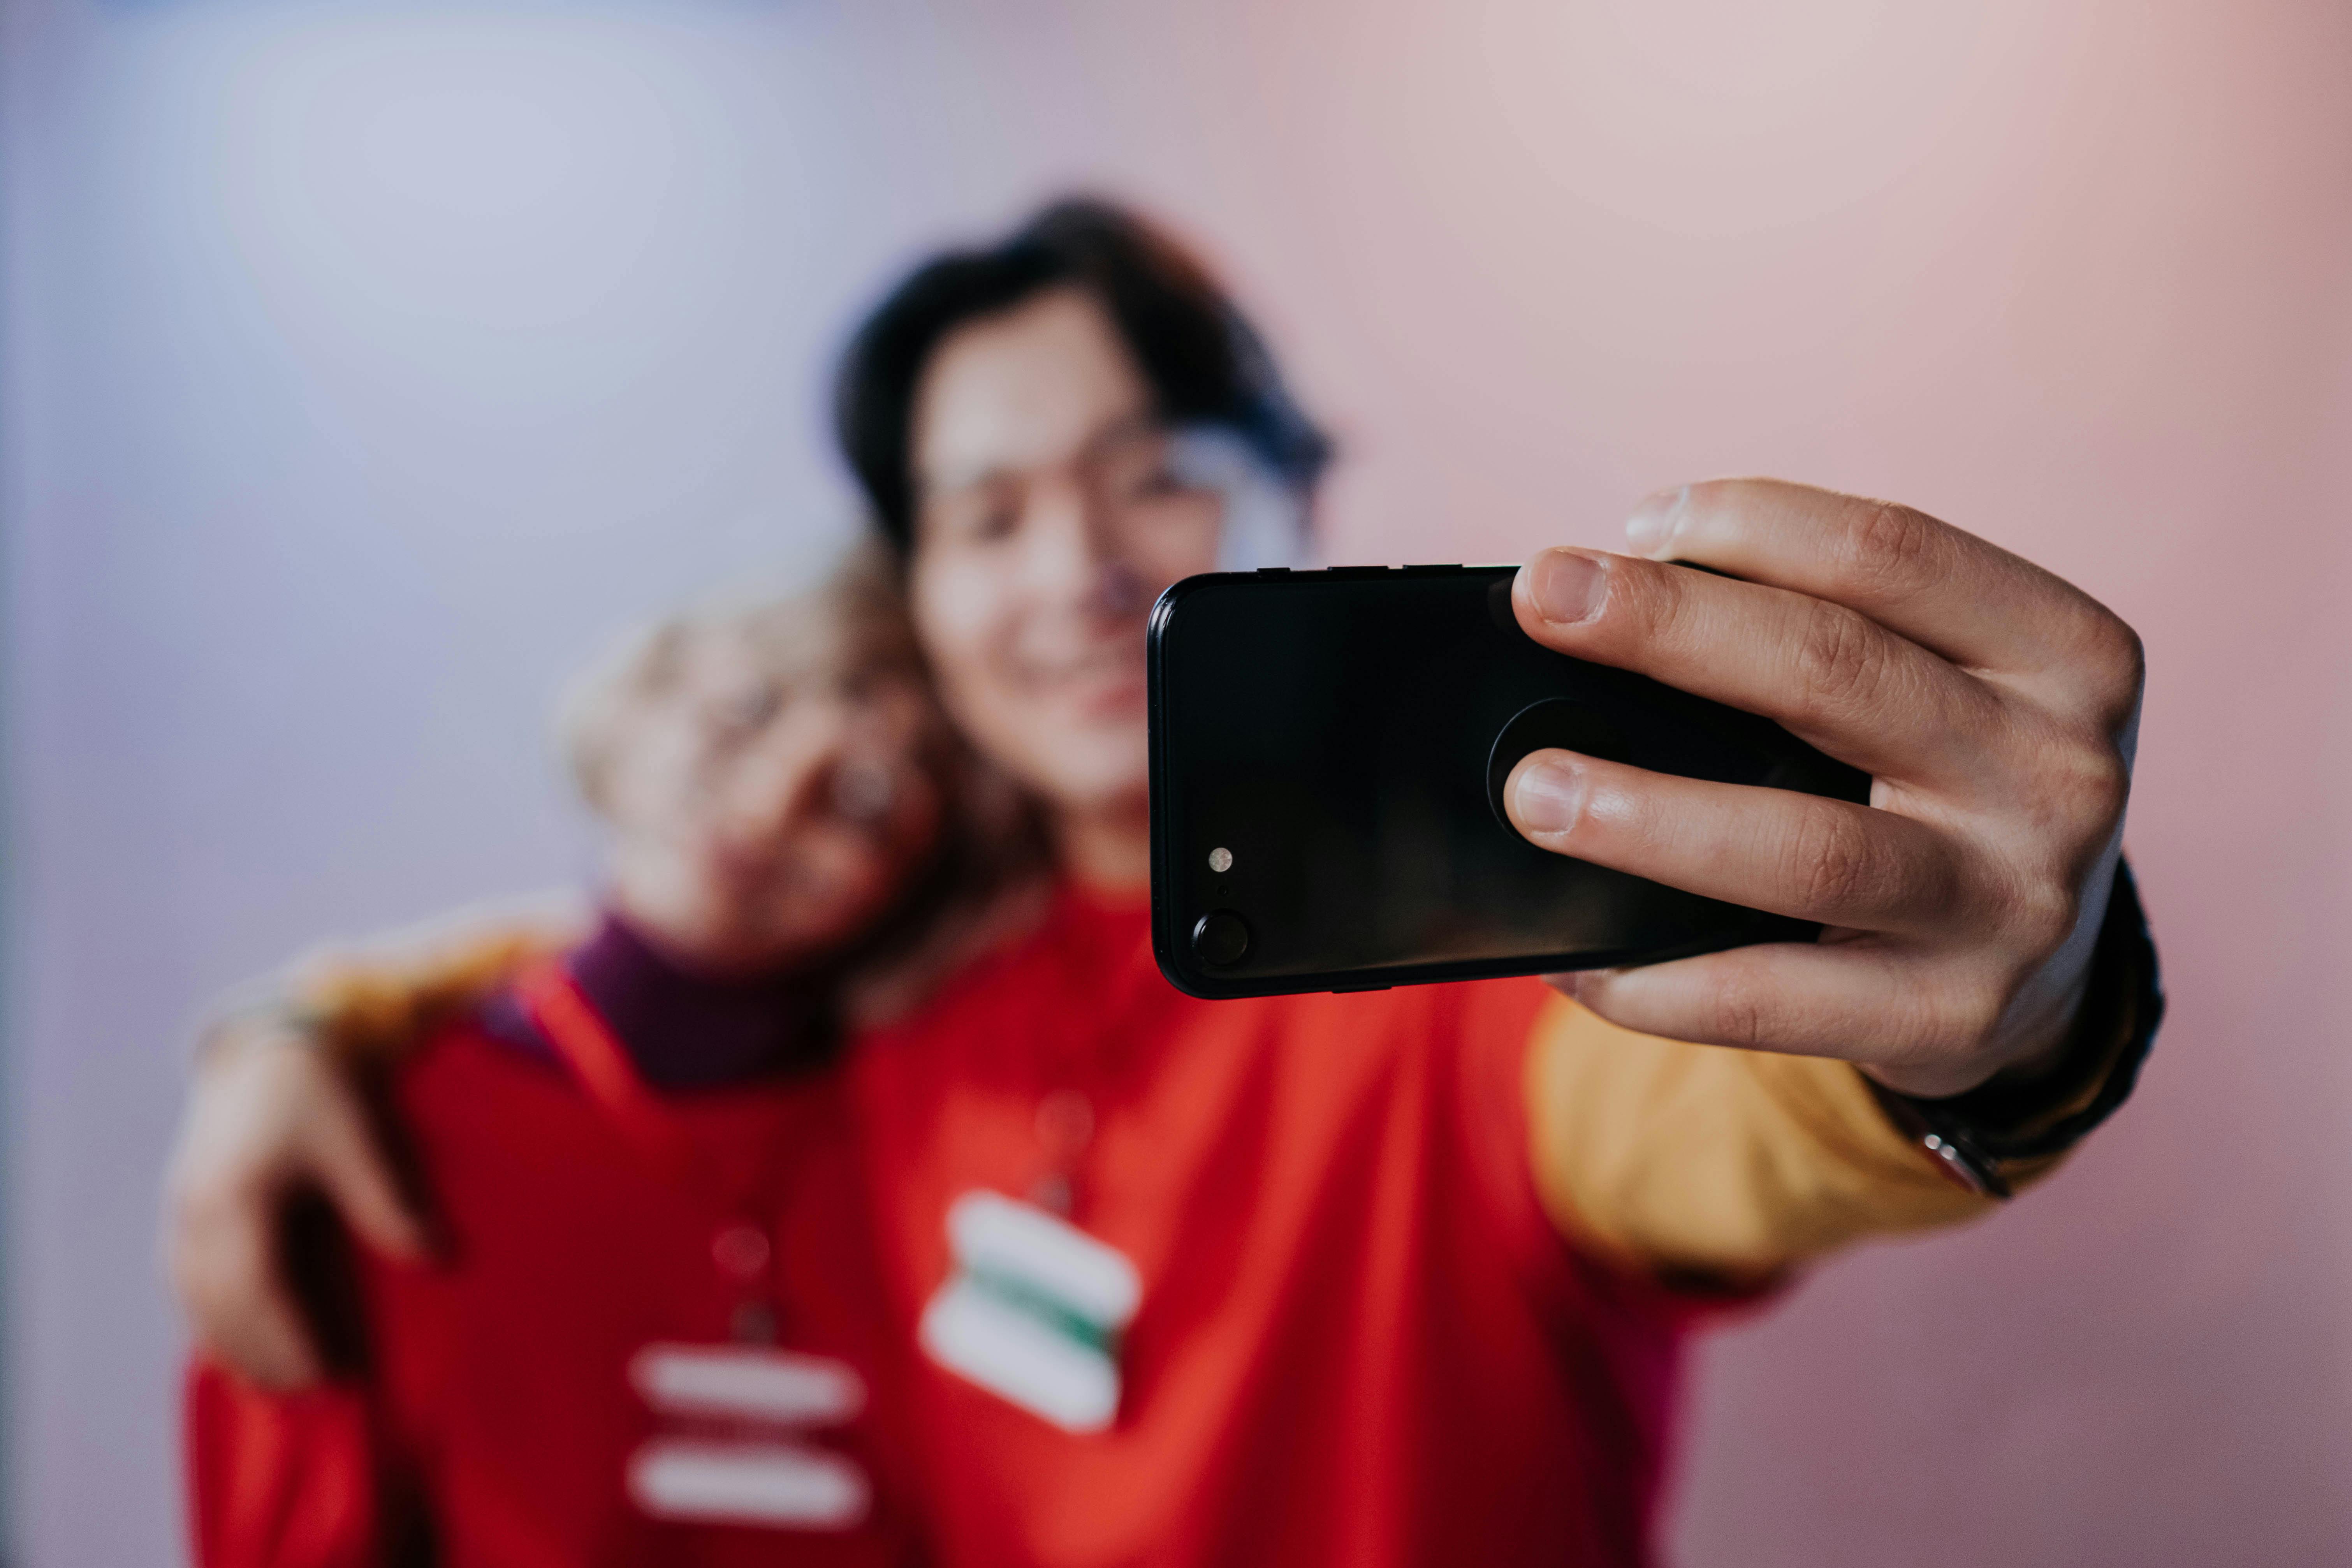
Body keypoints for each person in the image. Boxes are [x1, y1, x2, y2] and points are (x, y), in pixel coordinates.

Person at [165, 199, 2159, 1566]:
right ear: (919, 607)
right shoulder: (887, 979)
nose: (1073, 571)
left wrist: (2010, 1022)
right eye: (987, 516)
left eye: (1157, 474)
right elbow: (617, 967)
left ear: (1299, 501)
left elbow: (1721, 1116)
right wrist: (300, 1022)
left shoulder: (1493, 959)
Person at [184, 550, 1037, 1566]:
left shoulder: (940, 1137)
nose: (769, 808)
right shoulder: (361, 1140)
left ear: (919, 877)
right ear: (642, 700)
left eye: (862, 800)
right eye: (748, 709)